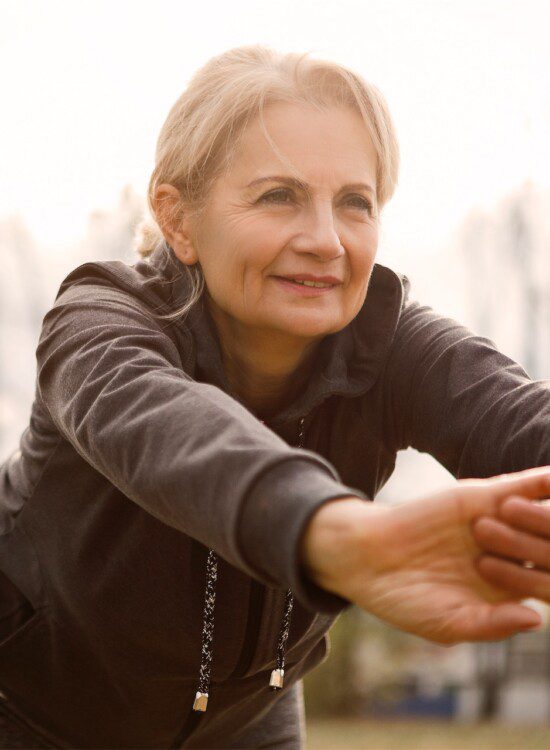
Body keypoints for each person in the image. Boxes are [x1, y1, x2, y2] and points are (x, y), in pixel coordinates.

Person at [0, 44, 549, 749]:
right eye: (278, 196)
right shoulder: (99, 321)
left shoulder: (394, 345)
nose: (326, 241)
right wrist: (340, 536)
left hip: (244, 721)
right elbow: (177, 437)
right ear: (177, 220)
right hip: (28, 712)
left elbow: (519, 420)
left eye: (355, 203)